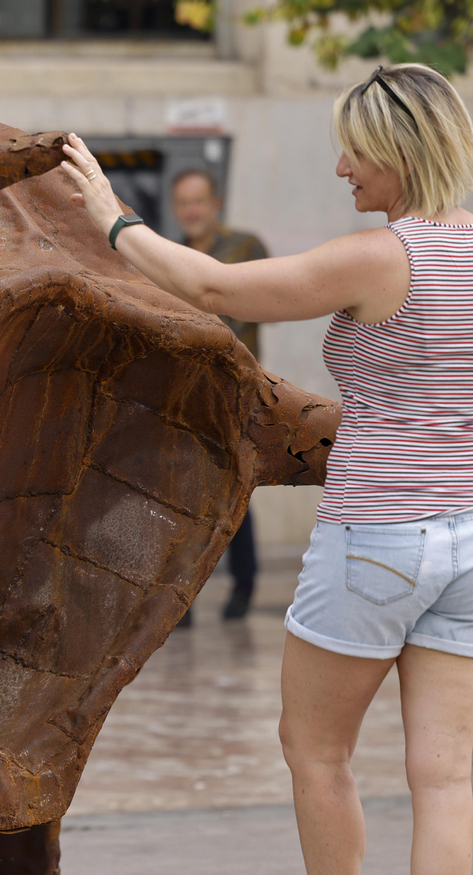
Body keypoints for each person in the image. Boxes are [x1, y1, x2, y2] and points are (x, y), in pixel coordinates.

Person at [60, 64, 473, 875]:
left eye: (354, 148)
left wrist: (108, 214)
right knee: (443, 776)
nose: (341, 166)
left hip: (378, 535)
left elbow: (215, 284)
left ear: (397, 152)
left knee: (314, 750)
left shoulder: (375, 257)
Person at [171, 168, 266, 620]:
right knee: (180, 499)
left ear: (216, 204)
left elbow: (236, 325)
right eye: (184, 203)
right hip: (183, 400)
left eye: (199, 201)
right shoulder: (171, 258)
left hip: (233, 397)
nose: (192, 211)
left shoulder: (244, 248)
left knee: (235, 495)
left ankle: (243, 586)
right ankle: (181, 604)